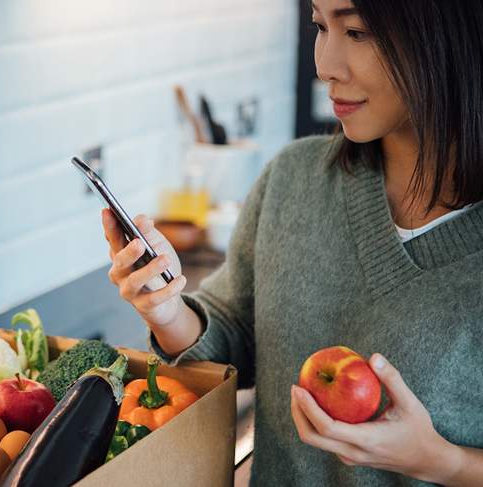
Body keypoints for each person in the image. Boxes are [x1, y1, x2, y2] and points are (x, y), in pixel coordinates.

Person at [101, 0, 483, 485]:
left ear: (449, 35)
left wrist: (443, 462)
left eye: (359, 32)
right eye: (320, 26)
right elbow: (232, 337)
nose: (325, 65)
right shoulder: (294, 177)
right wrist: (166, 309)